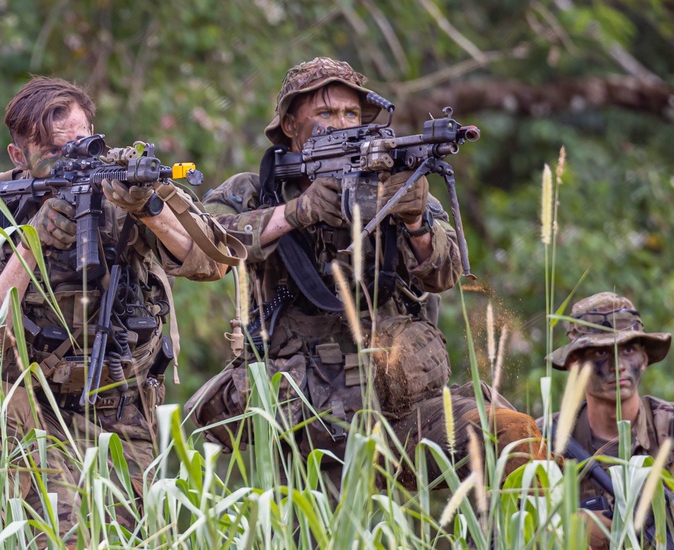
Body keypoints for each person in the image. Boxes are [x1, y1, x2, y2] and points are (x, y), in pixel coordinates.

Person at [187, 57, 542, 493]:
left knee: (510, 438)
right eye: (325, 113)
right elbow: (202, 250)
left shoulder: (393, 179)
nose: (341, 124)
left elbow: (446, 273)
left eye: (351, 113)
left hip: (401, 411)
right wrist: (297, 212)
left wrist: (414, 220)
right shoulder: (254, 190)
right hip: (304, 425)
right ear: (290, 126)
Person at [0, 76, 230, 540]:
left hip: (120, 407)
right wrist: (31, 241)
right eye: (55, 152)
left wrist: (147, 208)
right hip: (30, 410)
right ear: (18, 156)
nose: (76, 159)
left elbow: (211, 263)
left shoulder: (124, 187)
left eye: (84, 144)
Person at [540, 291, 674, 550]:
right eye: (599, 353)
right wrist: (567, 531)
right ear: (574, 364)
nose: (618, 365)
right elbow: (509, 546)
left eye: (628, 349)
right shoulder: (543, 443)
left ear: (644, 357)